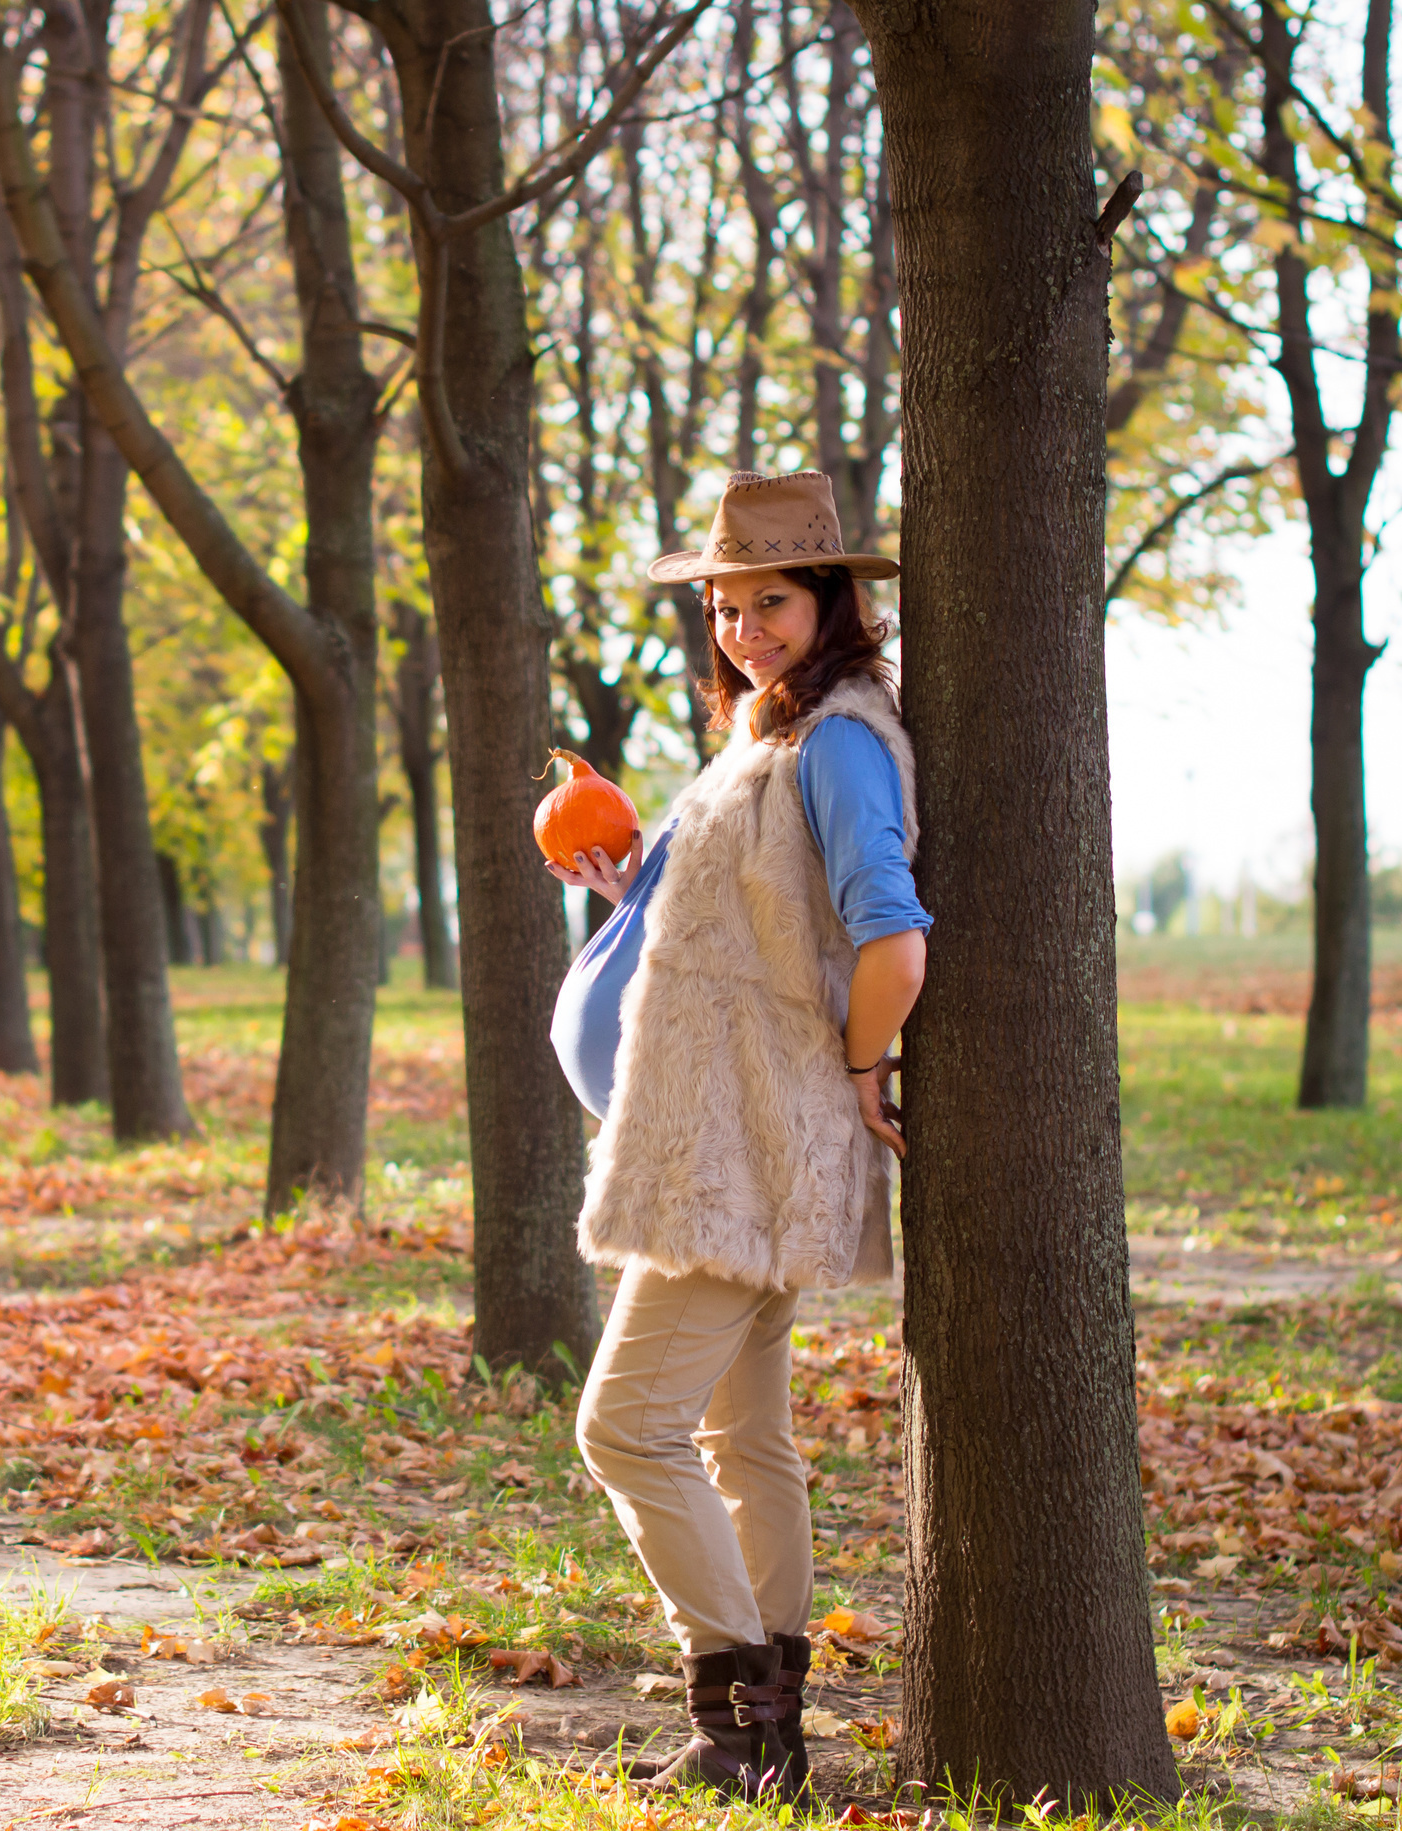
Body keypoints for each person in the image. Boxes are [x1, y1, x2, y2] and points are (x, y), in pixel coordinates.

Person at [545, 469, 928, 1800]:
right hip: (717, 1141)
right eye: (724, 603)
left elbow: (890, 930)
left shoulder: (835, 743)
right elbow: (754, 913)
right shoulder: (772, 734)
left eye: (771, 598)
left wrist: (868, 1068)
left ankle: (734, 1722)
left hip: (739, 1158)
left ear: (831, 596)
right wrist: (633, 881)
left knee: (624, 1429)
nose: (744, 625)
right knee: (739, 1439)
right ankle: (768, 1736)